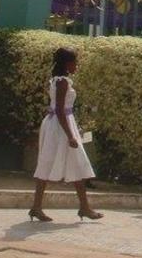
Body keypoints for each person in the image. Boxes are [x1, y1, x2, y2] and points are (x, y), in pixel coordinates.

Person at [29, 47, 102, 222]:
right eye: (74, 62)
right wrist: (70, 135)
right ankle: (82, 207)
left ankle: (40, 207)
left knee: (55, 163)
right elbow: (61, 110)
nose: (76, 65)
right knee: (69, 162)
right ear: (67, 63)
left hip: (57, 123)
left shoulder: (56, 80)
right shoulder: (62, 82)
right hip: (61, 126)